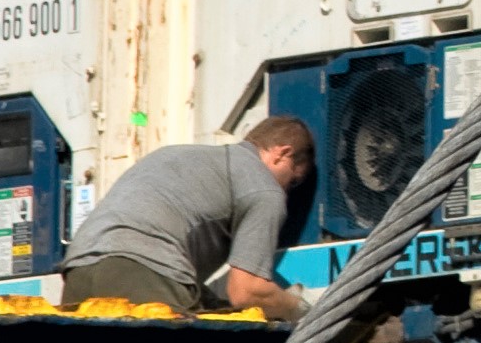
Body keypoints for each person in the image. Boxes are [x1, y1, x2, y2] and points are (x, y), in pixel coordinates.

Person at [55, 117, 315, 317]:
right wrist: (299, 308)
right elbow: (247, 292)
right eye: (292, 181)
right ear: (283, 153)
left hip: (78, 268)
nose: (285, 191)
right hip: (145, 272)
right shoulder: (263, 187)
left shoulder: (174, 154)